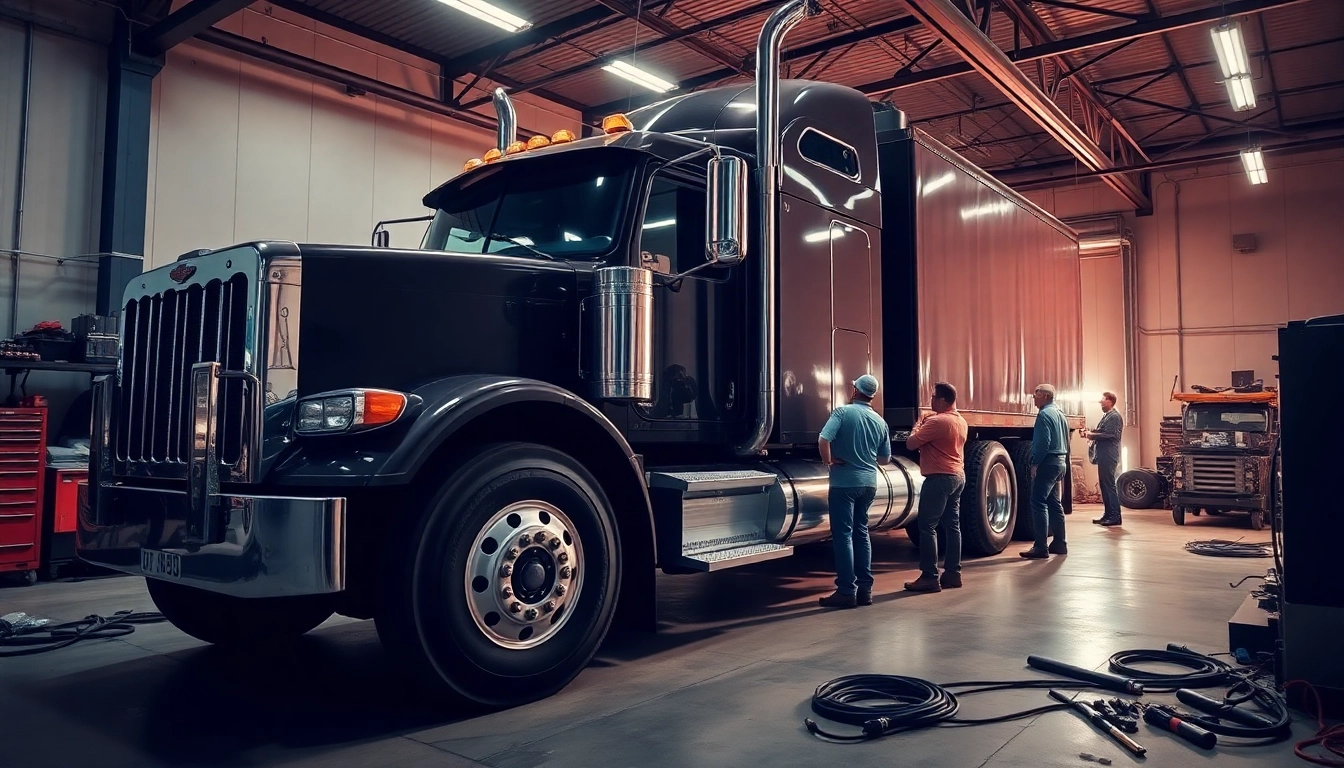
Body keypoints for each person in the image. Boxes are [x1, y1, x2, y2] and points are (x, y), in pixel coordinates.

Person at [817, 374, 892, 608]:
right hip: (869, 483)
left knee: (843, 536)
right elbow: (886, 458)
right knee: (862, 533)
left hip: (843, 484)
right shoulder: (880, 421)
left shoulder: (842, 412)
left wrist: (829, 461)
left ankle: (846, 591)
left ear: (855, 390)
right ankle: (865, 591)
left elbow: (823, 439)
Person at [903, 382, 969, 593]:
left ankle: (929, 576)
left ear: (942, 400)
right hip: (957, 476)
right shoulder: (960, 421)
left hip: (939, 478)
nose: (930, 401)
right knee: (953, 525)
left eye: (933, 397)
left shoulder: (937, 421)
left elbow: (911, 443)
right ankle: (953, 573)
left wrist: (919, 421)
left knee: (927, 526)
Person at [1022, 384, 1070, 559]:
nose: (1033, 397)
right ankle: (1060, 542)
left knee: (1037, 502)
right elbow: (1066, 441)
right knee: (1054, 502)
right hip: (1060, 462)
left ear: (1044, 396)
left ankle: (1040, 547)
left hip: (1047, 463)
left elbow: (1043, 443)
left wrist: (1035, 463)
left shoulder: (1044, 415)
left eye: (1035, 394)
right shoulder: (1060, 414)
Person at [1086, 391, 1125, 526]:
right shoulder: (1107, 416)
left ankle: (1114, 516)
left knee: (1109, 485)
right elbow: (1103, 431)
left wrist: (1092, 436)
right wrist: (1090, 433)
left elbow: (1111, 435)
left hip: (1109, 455)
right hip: (1104, 455)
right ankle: (1108, 514)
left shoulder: (1114, 417)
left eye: (1103, 399)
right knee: (1104, 485)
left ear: (1110, 401)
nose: (1101, 402)